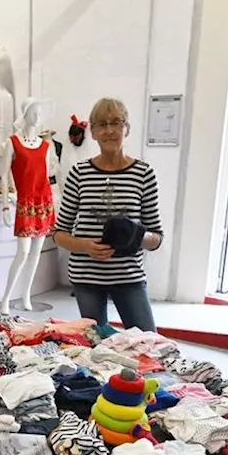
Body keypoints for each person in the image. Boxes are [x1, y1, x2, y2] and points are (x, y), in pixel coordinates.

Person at [53, 97, 163, 331]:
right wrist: (85, 245)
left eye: (116, 123)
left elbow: (157, 238)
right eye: (102, 124)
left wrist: (136, 236)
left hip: (129, 276)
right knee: (96, 348)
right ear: (92, 132)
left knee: (149, 343)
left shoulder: (143, 174)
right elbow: (59, 233)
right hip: (87, 277)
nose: (110, 130)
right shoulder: (79, 174)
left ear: (127, 128)